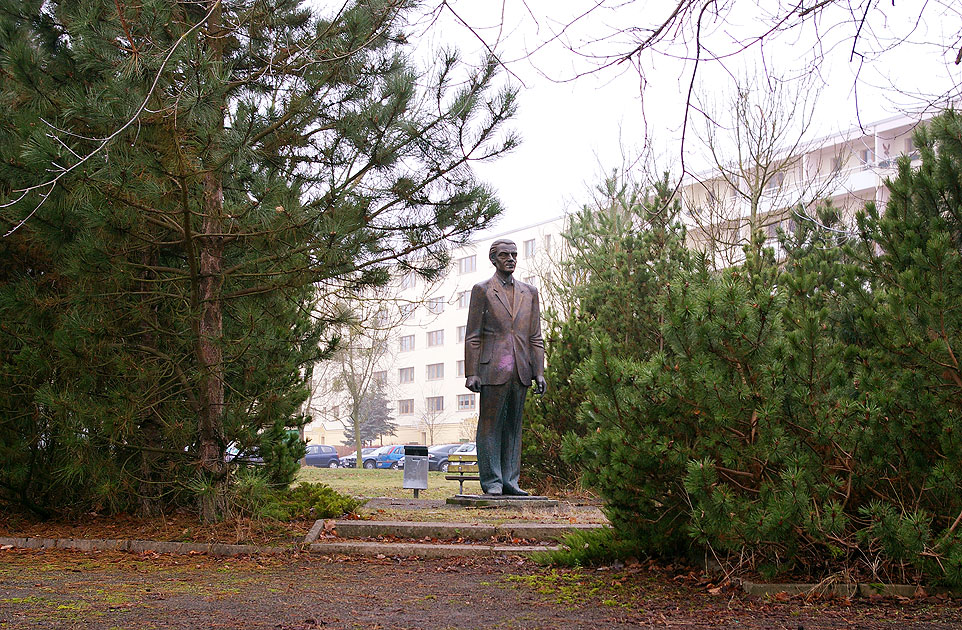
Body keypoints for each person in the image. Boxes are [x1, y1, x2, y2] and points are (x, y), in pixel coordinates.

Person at [464, 239, 546, 496]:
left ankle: (511, 481)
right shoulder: (482, 290)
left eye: (514, 254)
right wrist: (472, 372)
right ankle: (492, 482)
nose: (511, 259)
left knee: (513, 426)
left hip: (521, 369)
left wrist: (539, 371)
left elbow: (535, 337)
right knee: (490, 426)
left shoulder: (529, 292)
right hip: (492, 369)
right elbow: (473, 335)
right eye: (504, 255)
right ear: (493, 259)